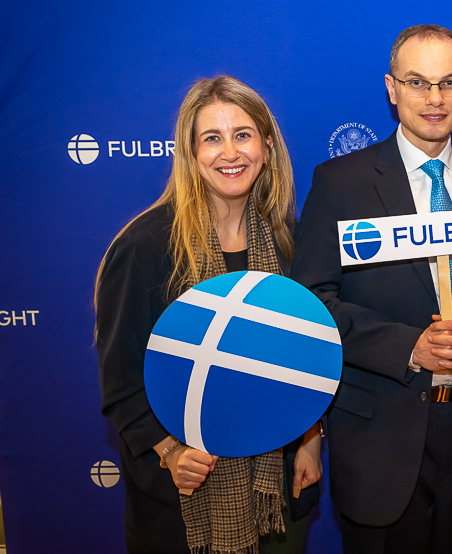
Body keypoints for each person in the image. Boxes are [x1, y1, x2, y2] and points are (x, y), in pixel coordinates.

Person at [290, 24, 452, 554]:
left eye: (448, 83)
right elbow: (311, 305)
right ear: (392, 88)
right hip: (381, 443)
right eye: (418, 83)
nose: (434, 99)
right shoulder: (340, 183)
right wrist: (407, 347)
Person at [96, 76, 321, 554]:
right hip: (184, 499)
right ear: (190, 152)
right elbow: (120, 382)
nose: (230, 153)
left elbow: (308, 360)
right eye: (212, 138)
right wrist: (170, 451)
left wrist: (310, 438)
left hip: (276, 490)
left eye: (242, 135)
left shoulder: (290, 245)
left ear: (266, 145)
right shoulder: (146, 246)